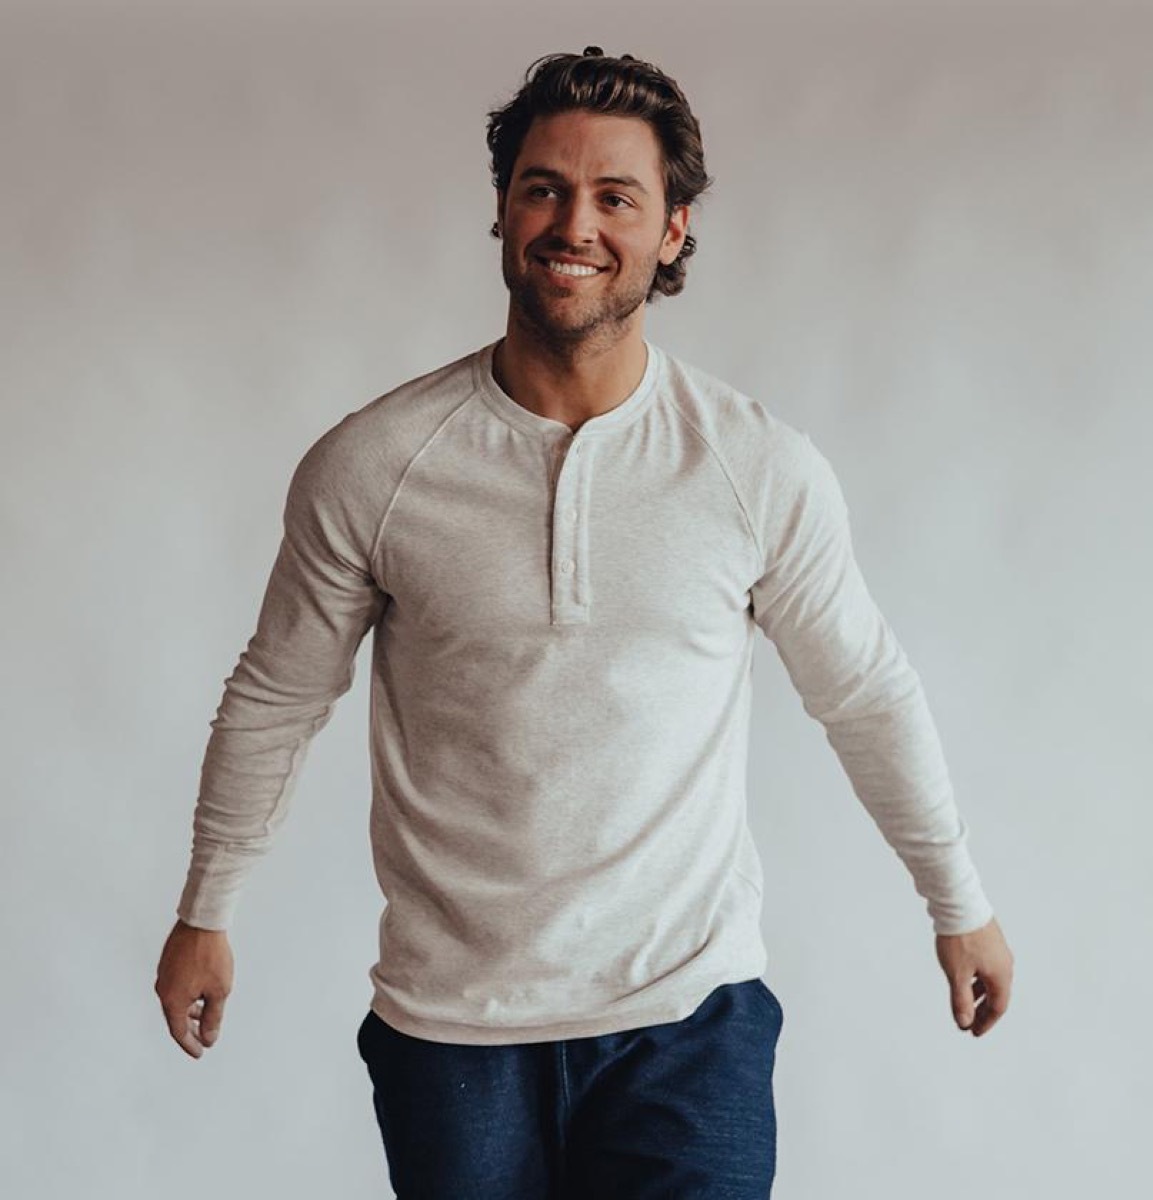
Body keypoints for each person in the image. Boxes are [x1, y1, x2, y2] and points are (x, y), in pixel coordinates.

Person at [155, 46, 1014, 1199]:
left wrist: (957, 902)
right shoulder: (376, 465)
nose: (575, 223)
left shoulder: (755, 466)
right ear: (504, 211)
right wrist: (206, 907)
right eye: (545, 187)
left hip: (688, 1022)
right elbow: (277, 693)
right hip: (451, 1029)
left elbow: (861, 689)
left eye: (617, 196)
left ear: (672, 231)